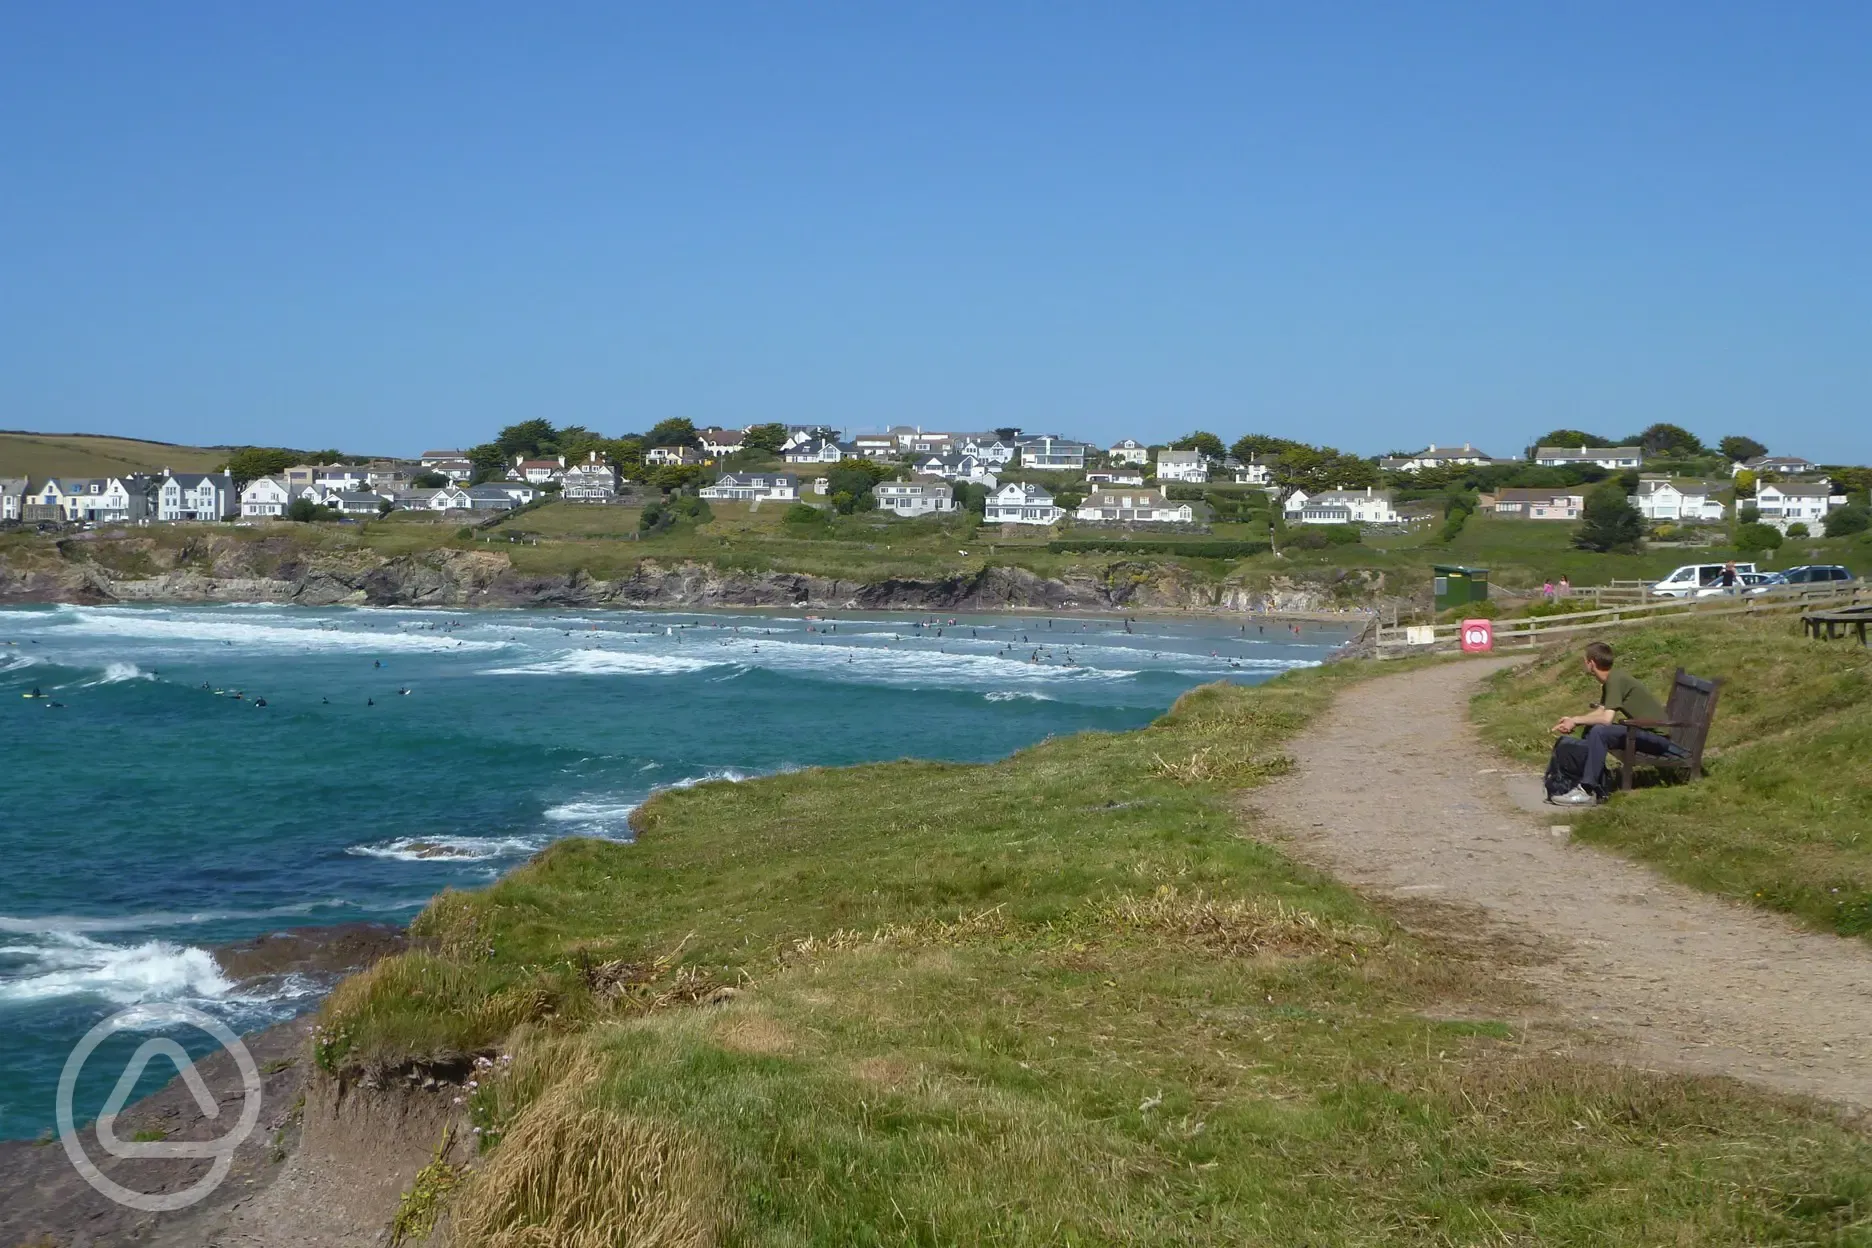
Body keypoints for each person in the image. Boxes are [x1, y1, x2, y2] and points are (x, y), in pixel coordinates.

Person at [1547, 641, 1684, 805]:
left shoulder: (1615, 680)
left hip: (1658, 739)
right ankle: (1592, 782)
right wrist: (1573, 721)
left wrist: (1576, 720)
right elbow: (1601, 711)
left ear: (1591, 663)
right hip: (1643, 732)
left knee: (1599, 731)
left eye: (1585, 661)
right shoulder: (1613, 679)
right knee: (1593, 729)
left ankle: (1587, 790)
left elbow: (1606, 719)